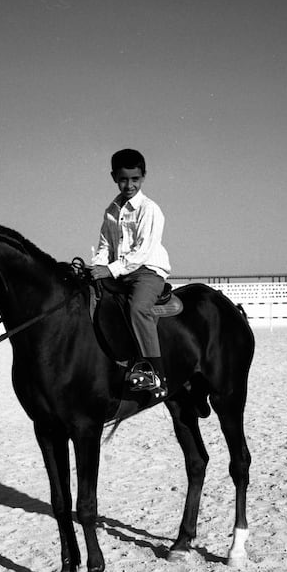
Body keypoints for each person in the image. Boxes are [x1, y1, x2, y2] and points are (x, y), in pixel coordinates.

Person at [90, 148, 170, 396]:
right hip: (119, 272)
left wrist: (110, 269)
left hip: (147, 271)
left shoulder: (150, 209)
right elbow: (105, 245)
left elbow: (142, 251)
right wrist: (97, 267)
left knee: (137, 308)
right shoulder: (111, 210)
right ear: (114, 177)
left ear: (143, 177)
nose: (129, 185)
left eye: (135, 179)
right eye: (123, 179)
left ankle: (155, 373)